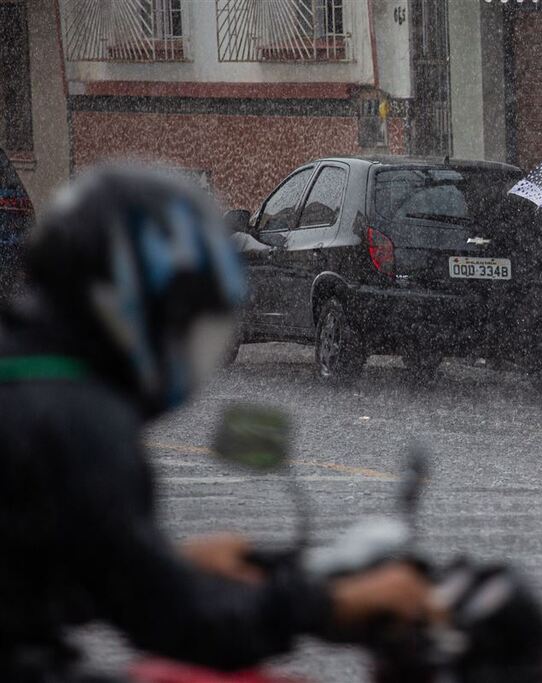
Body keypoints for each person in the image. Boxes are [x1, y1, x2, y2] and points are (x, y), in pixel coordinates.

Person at [0, 164, 435, 682]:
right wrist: (325, 604)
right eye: (185, 327)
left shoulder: (25, 374)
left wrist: (169, 560)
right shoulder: (78, 419)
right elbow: (174, 620)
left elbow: (42, 574)